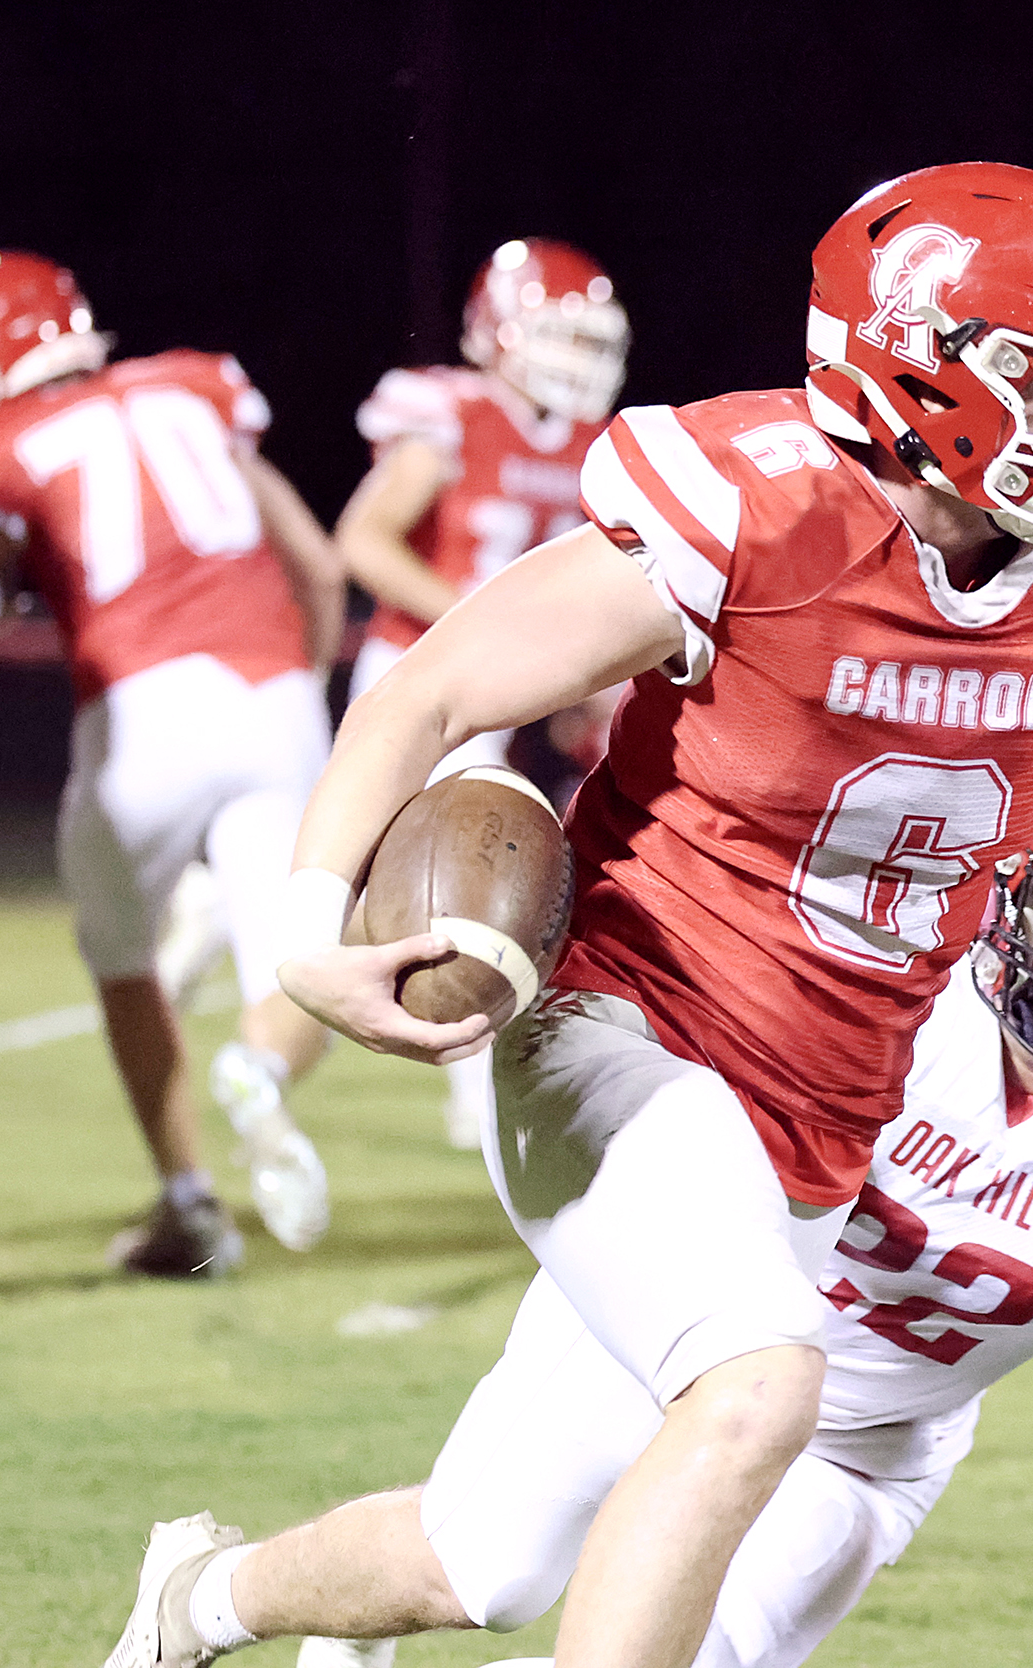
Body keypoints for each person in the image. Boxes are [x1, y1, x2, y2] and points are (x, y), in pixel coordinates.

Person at [96, 162, 1033, 1668]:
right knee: (762, 1387)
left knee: (484, 1558)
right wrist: (307, 935)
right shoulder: (765, 514)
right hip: (630, 1024)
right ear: (918, 361)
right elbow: (432, 687)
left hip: (825, 1113)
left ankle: (196, 1599)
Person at [118, 765, 1033, 1668]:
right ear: (1020, 904)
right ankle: (204, 1595)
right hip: (677, 1318)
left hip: (864, 1443)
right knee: (478, 1572)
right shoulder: (890, 974)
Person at [0, 249, 347, 1274]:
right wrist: (301, 694)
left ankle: (190, 1202)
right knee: (301, 970)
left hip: (141, 714)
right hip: (273, 694)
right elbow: (319, 568)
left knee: (119, 954)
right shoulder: (191, 390)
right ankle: (259, 1075)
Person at [337, 237, 627, 1150]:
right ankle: (472, 1078)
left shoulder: (593, 446)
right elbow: (365, 540)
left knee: (440, 875)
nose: (578, 361)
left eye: (591, 342)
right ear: (499, 332)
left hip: (505, 677)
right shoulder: (451, 415)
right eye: (561, 337)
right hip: (421, 675)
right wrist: (479, 623)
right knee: (455, 871)